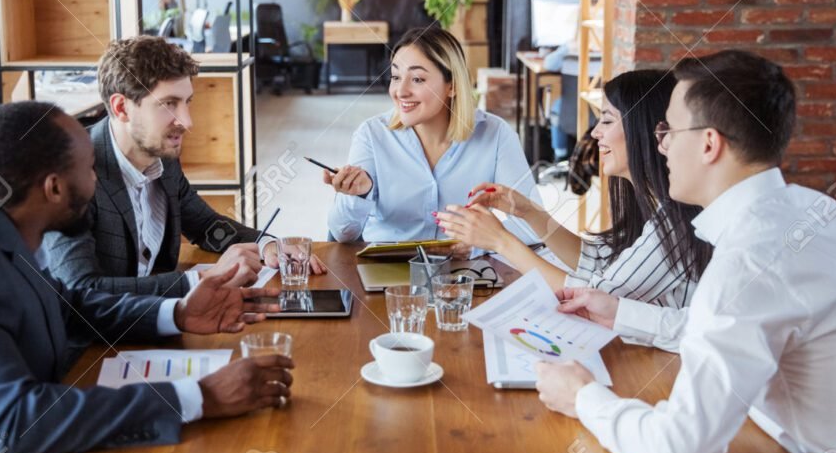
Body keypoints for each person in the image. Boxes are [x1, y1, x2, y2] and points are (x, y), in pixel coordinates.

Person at [536, 50, 836, 453]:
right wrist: (620, 313)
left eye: (668, 131)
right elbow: (726, 326)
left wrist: (582, 397)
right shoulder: (815, 210)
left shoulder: (749, 260)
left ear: (709, 144)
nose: (660, 146)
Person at [0, 102, 293, 453]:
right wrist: (198, 397)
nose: (97, 180)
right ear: (54, 188)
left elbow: (69, 306)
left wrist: (179, 313)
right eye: (90, 169)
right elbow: (11, 426)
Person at [45, 36, 324, 299]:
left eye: (187, 102)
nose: (187, 122)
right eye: (169, 104)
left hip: (152, 317)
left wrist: (268, 245)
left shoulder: (162, 156)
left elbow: (205, 225)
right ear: (121, 108)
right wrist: (204, 280)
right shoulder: (71, 173)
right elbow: (81, 290)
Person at [438, 69, 712, 309]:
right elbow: (599, 261)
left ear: (642, 129)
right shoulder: (654, 208)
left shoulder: (675, 222)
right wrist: (528, 211)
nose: (594, 133)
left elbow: (598, 298)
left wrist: (501, 241)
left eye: (607, 120)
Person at [326, 26, 540, 247]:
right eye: (396, 77)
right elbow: (342, 234)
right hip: (387, 267)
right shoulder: (372, 135)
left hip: (466, 268)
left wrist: (479, 243)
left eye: (417, 79)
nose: (401, 91)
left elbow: (535, 227)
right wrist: (358, 196)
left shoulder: (496, 134)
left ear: (452, 86)